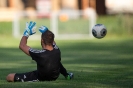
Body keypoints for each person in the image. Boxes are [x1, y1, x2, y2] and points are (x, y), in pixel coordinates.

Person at [6, 21, 73, 82]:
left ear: (42, 40)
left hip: (41, 77)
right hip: (54, 76)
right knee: (55, 60)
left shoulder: (40, 55)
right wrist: (46, 31)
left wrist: (26, 33)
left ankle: (66, 75)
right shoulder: (57, 50)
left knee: (9, 77)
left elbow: (22, 46)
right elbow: (52, 40)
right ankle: (67, 75)